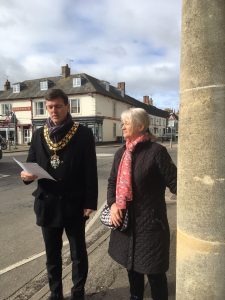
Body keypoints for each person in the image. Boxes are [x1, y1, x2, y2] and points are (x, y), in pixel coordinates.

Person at [20, 89, 98, 300]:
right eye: (50, 106)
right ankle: (55, 294)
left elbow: (90, 170)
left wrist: (90, 201)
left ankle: (78, 293)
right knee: (52, 256)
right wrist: (26, 176)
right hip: (47, 203)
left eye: (58, 106)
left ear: (67, 107)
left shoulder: (83, 133)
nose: (54, 110)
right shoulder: (38, 134)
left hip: (74, 203)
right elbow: (31, 163)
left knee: (78, 254)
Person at [107, 108, 177, 300]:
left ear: (141, 126)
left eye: (126, 123)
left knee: (155, 276)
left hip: (151, 227)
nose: (122, 126)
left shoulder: (157, 152)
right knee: (132, 271)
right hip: (127, 225)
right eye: (122, 123)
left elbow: (176, 182)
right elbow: (112, 182)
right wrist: (113, 204)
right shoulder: (121, 153)